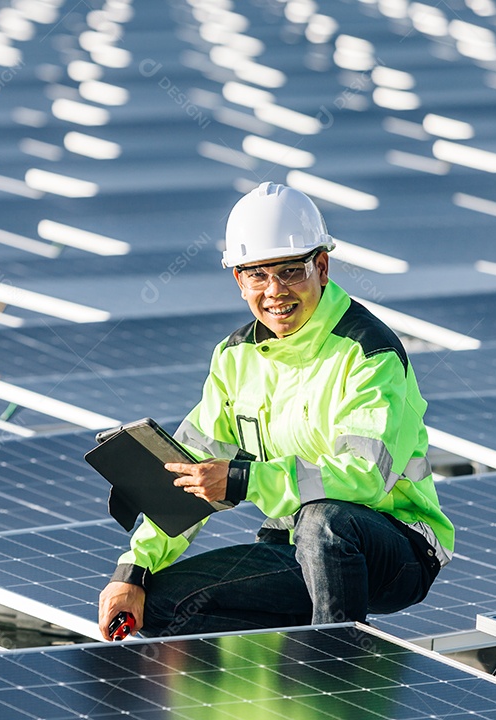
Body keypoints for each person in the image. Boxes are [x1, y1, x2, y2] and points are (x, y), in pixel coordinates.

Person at [98, 182, 453, 640]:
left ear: (321, 268)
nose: (275, 291)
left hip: (395, 548)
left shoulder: (368, 354)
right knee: (163, 606)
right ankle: (276, 695)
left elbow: (365, 476)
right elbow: (186, 475)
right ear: (238, 280)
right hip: (294, 546)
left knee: (325, 520)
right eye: (257, 275)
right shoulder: (234, 359)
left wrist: (246, 480)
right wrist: (133, 570)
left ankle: (335, 674)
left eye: (290, 272)